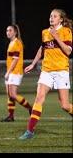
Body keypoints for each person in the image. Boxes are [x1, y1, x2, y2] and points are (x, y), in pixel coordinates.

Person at [19, 9, 73, 140]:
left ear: (61, 19)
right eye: (50, 16)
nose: (51, 18)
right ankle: (30, 131)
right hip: (46, 70)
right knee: (39, 99)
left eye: (54, 16)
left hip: (61, 71)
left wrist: (56, 37)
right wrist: (33, 64)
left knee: (65, 105)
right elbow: (42, 48)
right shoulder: (45, 32)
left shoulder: (66, 32)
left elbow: (68, 51)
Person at [1, 24, 32, 122]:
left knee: (13, 94)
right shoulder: (11, 43)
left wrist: (8, 72)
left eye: (10, 30)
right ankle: (11, 116)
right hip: (11, 72)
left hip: (15, 71)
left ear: (15, 32)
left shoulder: (17, 43)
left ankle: (30, 108)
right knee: (10, 95)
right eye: (7, 30)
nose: (8, 32)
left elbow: (15, 60)